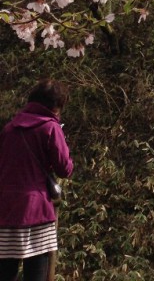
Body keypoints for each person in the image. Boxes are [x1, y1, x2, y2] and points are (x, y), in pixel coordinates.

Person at [0, 79, 74, 281]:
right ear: (56, 105)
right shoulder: (50, 128)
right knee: (37, 274)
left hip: (6, 211)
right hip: (37, 210)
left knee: (5, 272)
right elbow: (64, 168)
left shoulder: (9, 129)